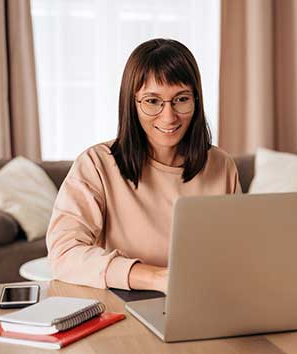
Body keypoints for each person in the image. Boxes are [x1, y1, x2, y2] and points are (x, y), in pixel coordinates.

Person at [46, 38, 241, 294]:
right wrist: (156, 279)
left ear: (196, 100)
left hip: (203, 301)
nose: (169, 116)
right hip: (125, 303)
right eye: (152, 101)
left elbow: (237, 255)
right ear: (132, 103)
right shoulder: (96, 164)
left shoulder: (221, 166)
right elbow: (64, 253)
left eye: (181, 99)